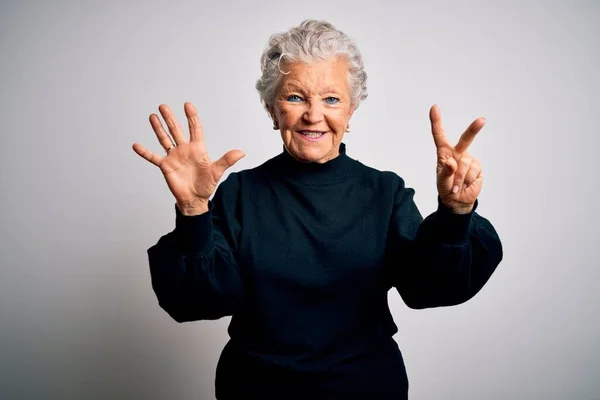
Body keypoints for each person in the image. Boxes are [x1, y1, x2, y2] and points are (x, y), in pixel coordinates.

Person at [132, 19, 503, 399]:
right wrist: (194, 210)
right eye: (295, 97)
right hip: (256, 388)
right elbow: (203, 301)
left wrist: (457, 213)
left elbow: (426, 286)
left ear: (351, 111)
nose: (313, 115)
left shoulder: (383, 191)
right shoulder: (240, 192)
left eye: (331, 99)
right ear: (272, 110)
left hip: (365, 387)